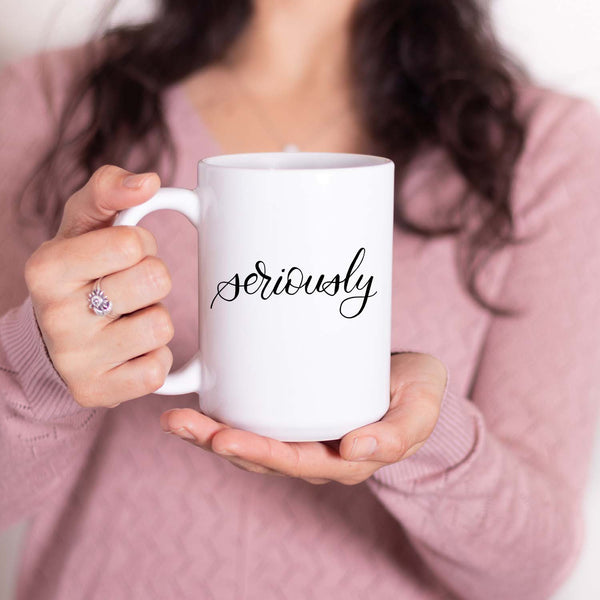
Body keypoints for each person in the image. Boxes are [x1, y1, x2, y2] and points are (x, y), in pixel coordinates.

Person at [1, 0, 599, 598]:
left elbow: (530, 571)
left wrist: (421, 435)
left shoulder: (547, 152)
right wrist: (42, 369)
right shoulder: (45, 102)